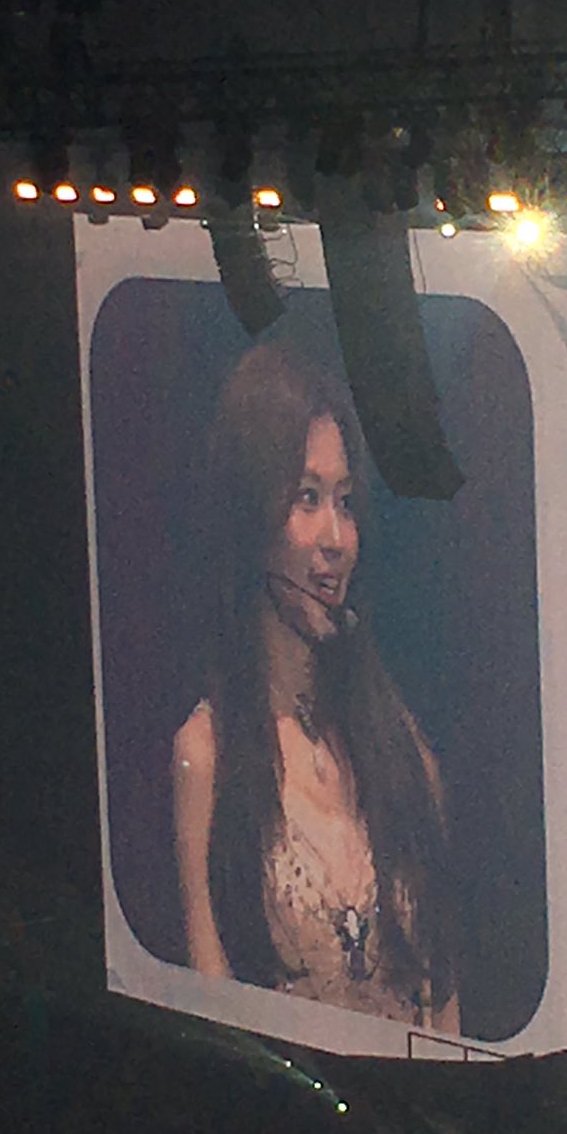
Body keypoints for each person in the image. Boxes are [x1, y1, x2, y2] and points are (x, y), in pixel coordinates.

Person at [172, 339, 459, 1032]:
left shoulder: (401, 748)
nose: (337, 537)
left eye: (345, 501)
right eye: (307, 498)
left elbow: (445, 999)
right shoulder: (206, 756)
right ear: (252, 515)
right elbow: (215, 1011)